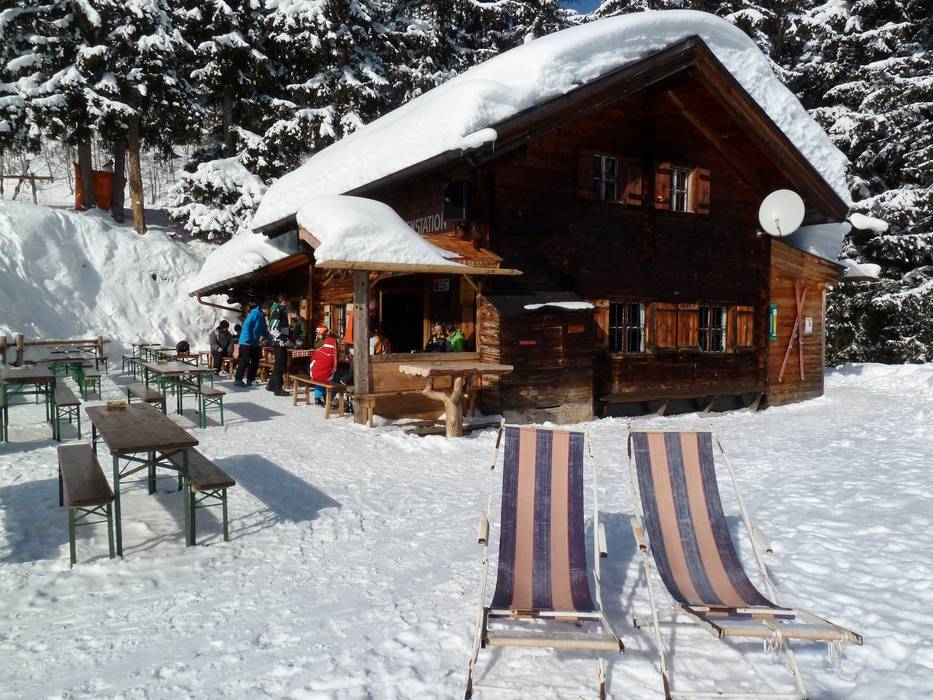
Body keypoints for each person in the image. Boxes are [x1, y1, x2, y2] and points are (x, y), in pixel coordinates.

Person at [234, 299, 272, 387]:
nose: (270, 312)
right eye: (270, 310)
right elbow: (247, 325)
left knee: (255, 360)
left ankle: (251, 379)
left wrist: (267, 338)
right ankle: (238, 379)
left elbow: (263, 329)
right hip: (246, 341)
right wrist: (247, 339)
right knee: (245, 360)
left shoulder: (262, 316)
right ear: (265, 308)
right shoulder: (254, 313)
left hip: (255, 342)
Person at [266, 293, 291, 396]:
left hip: (279, 342)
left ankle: (271, 385)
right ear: (284, 301)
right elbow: (273, 329)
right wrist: (284, 339)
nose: (289, 304)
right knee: (280, 365)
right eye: (288, 301)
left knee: (279, 364)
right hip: (279, 342)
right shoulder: (277, 311)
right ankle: (277, 389)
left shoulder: (279, 310)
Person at [309, 324, 337, 405]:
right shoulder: (330, 341)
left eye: (317, 333)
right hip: (322, 371)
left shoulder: (325, 341)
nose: (316, 334)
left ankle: (318, 397)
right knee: (334, 379)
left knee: (320, 375)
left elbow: (314, 354)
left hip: (315, 372)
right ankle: (326, 396)